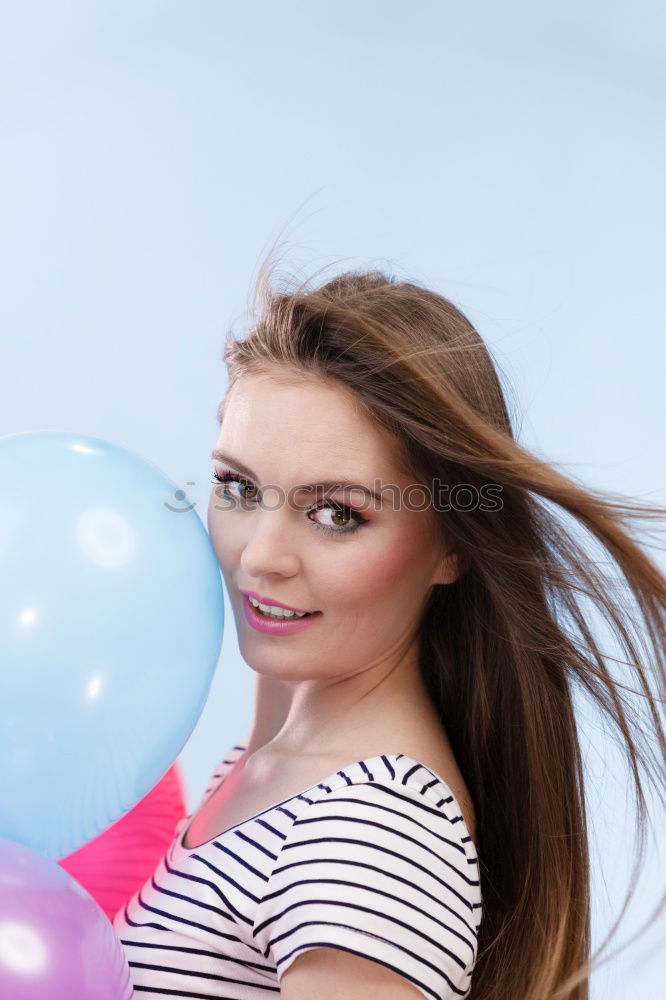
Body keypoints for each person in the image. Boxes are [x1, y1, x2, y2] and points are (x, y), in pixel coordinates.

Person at [113, 251, 665, 1000]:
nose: (262, 557)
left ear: (451, 546)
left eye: (338, 513)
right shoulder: (267, 767)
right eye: (238, 487)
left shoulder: (370, 834)